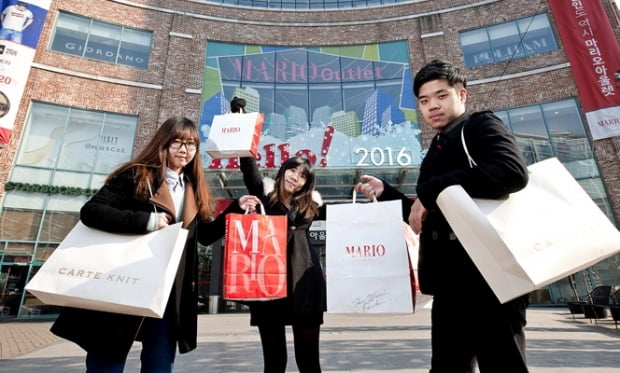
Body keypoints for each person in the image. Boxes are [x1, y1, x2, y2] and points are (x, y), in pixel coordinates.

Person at [355, 59, 530, 373]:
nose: (432, 106)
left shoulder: (479, 125)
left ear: (461, 95)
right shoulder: (436, 145)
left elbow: (512, 172)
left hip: (489, 279)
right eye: (424, 101)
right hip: (450, 285)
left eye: (441, 96)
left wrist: (430, 190)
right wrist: (388, 192)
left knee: (503, 366)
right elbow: (426, 216)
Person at [50, 116, 260, 373]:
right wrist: (147, 221)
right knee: (107, 361)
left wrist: (234, 209)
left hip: (169, 290)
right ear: (163, 143)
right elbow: (91, 211)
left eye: (191, 144)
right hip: (125, 280)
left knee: (160, 362)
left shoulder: (193, 188)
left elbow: (203, 236)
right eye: (178, 142)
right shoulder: (137, 174)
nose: (185, 150)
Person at [239, 154, 326, 373]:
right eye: (293, 170)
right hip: (269, 284)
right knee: (274, 361)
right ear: (283, 170)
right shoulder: (264, 195)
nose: (296, 178)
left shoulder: (312, 204)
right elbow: (249, 168)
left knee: (309, 361)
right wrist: (240, 124)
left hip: (304, 284)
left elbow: (349, 217)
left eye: (303, 176)